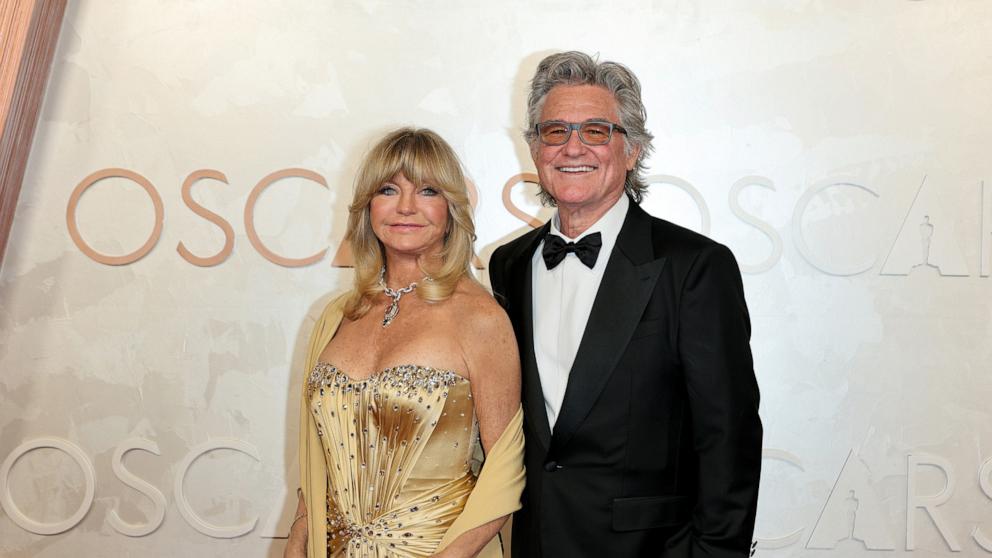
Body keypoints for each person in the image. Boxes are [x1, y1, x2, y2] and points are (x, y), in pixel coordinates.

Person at [488, 51, 762, 557]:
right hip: (537, 543)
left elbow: (729, 437)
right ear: (533, 148)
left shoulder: (694, 266)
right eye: (555, 131)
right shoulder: (509, 264)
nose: (573, 147)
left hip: (653, 548)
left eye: (596, 131)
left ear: (632, 149)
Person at [285, 128, 524, 558]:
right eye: (389, 189)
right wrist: (298, 541)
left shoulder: (481, 318)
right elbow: (318, 461)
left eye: (428, 190)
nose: (407, 207)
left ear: (451, 207)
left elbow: (504, 473)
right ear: (368, 207)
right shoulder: (337, 316)